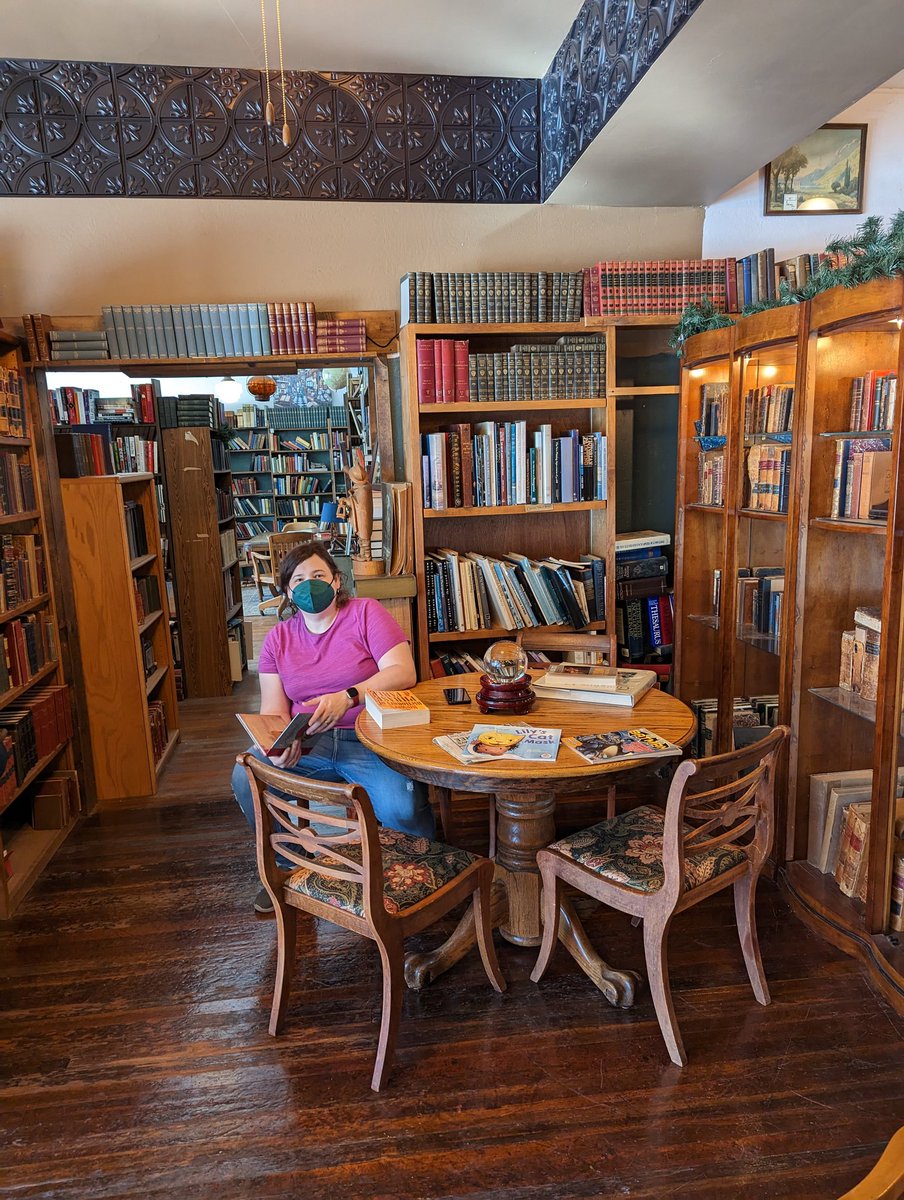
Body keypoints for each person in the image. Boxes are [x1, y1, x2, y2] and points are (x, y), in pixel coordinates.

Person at [231, 540, 435, 913]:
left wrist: (349, 695)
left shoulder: (365, 613)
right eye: (298, 579)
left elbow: (404, 671)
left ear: (337, 581)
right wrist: (278, 746)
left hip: (370, 736)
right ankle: (288, 865)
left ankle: (421, 868)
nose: (309, 585)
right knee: (245, 774)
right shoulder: (277, 639)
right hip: (310, 740)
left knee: (401, 808)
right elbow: (274, 710)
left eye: (318, 575)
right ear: (288, 592)